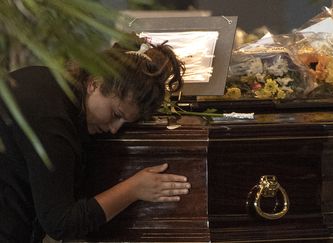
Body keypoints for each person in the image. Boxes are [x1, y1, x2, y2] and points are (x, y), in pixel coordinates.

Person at [0, 36, 191, 242]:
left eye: (126, 123)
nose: (114, 129)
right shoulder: (53, 122)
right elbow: (61, 224)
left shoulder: (48, 83)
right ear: (95, 83)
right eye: (116, 114)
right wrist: (134, 188)